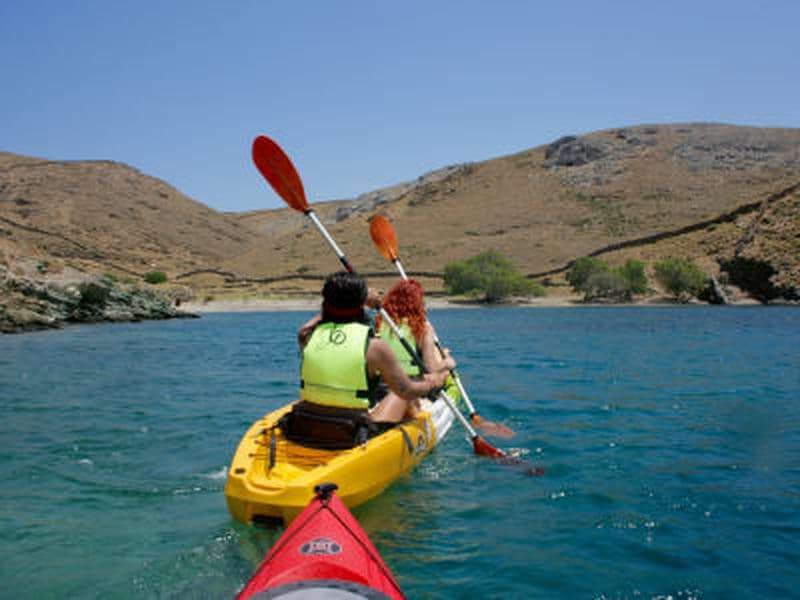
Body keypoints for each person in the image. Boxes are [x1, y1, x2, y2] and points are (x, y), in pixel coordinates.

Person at [294, 271, 449, 446]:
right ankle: (412, 421)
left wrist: (347, 300)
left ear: (326, 302)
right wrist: (432, 382)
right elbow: (407, 391)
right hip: (348, 433)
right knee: (403, 395)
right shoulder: (375, 348)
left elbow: (307, 327)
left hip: (304, 424)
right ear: (361, 304)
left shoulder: (308, 336)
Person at [372, 279, 458, 422]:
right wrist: (447, 363)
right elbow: (432, 368)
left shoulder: (381, 323)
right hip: (410, 387)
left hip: (381, 386)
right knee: (441, 373)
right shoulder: (423, 328)